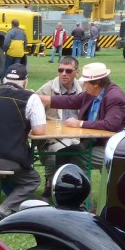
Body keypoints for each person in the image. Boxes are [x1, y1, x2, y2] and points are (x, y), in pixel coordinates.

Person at [0, 65, 46, 221]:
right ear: (25, 81)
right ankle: (5, 209)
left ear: (4, 80)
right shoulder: (30, 98)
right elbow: (39, 131)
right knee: (32, 180)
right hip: (6, 157)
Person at [39, 61, 125, 168]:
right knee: (63, 153)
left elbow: (110, 124)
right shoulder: (92, 93)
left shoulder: (115, 97)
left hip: (112, 147)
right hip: (93, 142)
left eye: (86, 82)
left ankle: (70, 182)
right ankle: (58, 182)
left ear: (96, 84)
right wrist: (42, 99)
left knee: (70, 158)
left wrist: (80, 124)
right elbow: (71, 101)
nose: (83, 85)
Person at [35, 55, 84, 195]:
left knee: (77, 150)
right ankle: (51, 184)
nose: (63, 73)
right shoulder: (48, 88)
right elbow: (34, 109)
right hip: (53, 137)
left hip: (79, 136)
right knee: (56, 152)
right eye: (60, 70)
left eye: (68, 71)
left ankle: (71, 188)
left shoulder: (84, 89)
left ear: (77, 72)